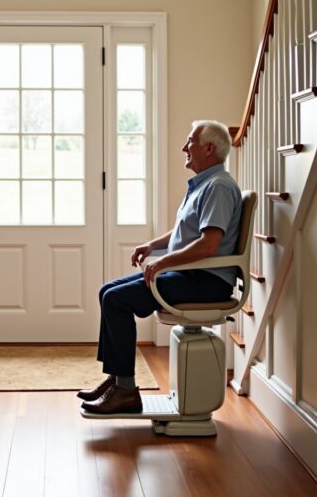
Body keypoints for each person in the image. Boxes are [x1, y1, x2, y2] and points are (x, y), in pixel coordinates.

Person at [79, 120, 242, 415]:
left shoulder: (218, 187)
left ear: (208, 148)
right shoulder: (206, 184)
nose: (184, 148)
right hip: (193, 275)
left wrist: (163, 261)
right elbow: (185, 233)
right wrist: (152, 247)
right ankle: (117, 380)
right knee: (108, 292)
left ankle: (126, 390)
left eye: (189, 141)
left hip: (205, 281)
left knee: (116, 300)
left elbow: (208, 245)